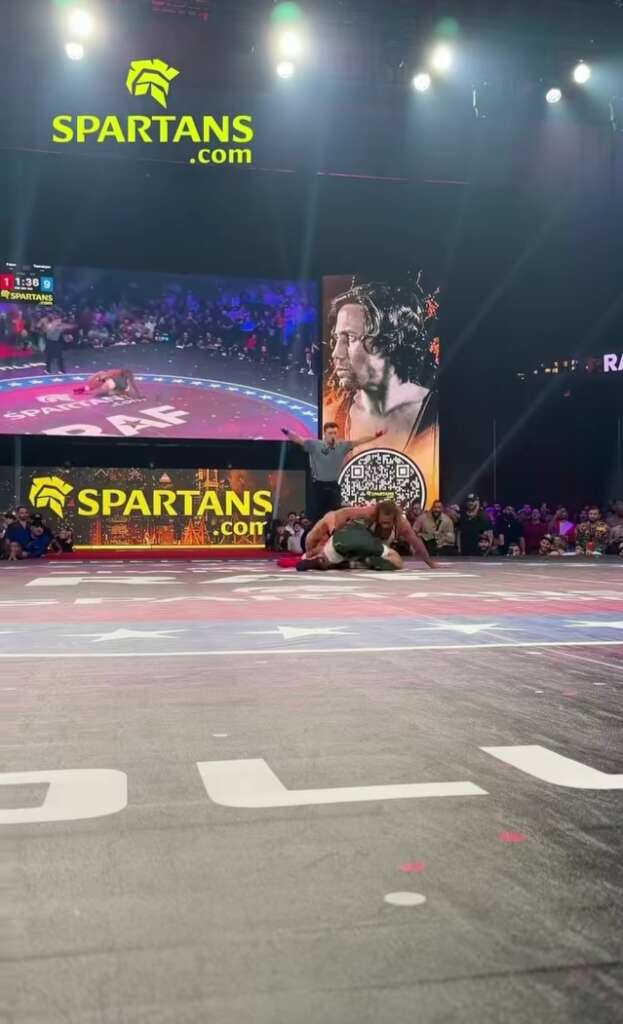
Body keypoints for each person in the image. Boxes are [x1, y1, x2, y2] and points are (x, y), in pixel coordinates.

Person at [324, 280, 438, 469]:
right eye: (337, 339)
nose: (336, 353)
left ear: (387, 342)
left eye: (350, 338)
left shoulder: (436, 415)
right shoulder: (331, 415)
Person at [282, 422, 385, 523]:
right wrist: (287, 432)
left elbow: (359, 441)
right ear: (325, 434)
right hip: (318, 485)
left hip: (334, 485)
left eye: (335, 433)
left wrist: (375, 436)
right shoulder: (315, 445)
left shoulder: (342, 446)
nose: (333, 435)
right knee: (318, 517)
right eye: (330, 433)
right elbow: (299, 439)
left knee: (336, 516)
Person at [299, 500, 437, 571]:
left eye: (389, 523)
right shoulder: (369, 512)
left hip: (361, 547)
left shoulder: (402, 523)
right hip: (361, 541)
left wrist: (430, 563)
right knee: (397, 561)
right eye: (383, 522)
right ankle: (325, 557)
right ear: (377, 516)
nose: (386, 526)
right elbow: (342, 513)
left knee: (334, 556)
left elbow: (416, 542)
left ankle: (323, 561)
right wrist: (337, 533)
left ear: (394, 519)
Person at [74, 368, 143, 400]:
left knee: (123, 386)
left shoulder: (128, 376)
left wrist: (138, 394)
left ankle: (118, 392)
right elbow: (104, 377)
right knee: (94, 386)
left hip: (107, 380)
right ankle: (81, 389)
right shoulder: (115, 373)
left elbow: (133, 384)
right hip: (103, 379)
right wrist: (99, 380)